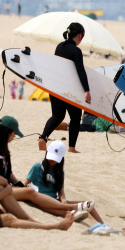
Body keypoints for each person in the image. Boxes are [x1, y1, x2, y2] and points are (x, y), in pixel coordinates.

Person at [0, 117, 93, 222]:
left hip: (4, 187)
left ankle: (66, 211)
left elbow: (8, 172)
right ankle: (70, 208)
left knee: (31, 192)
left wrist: (18, 183)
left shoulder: (3, 147)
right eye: (14, 133)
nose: (14, 137)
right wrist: (8, 185)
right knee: (30, 192)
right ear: (7, 132)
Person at [38, 22, 90, 153]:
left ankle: (43, 137)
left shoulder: (59, 47)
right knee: (75, 117)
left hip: (55, 87)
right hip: (69, 90)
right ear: (79, 36)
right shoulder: (76, 51)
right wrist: (86, 90)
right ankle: (72, 147)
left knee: (57, 116)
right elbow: (80, 71)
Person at [27, 140, 104, 225]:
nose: (52, 161)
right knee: (67, 208)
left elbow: (61, 192)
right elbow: (25, 184)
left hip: (55, 200)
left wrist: (63, 201)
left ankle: (102, 225)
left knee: (89, 204)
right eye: (50, 157)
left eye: (55, 159)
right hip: (41, 200)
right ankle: (72, 214)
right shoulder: (37, 167)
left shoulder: (60, 173)